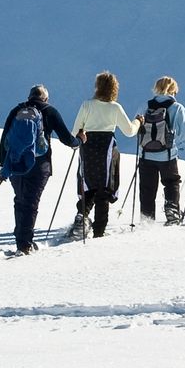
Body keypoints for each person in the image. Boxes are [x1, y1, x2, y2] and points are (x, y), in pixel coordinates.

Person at [0, 84, 80, 255]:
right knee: (30, 202)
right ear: (46, 98)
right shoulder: (50, 111)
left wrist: (3, 164)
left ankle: (21, 239)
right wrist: (79, 141)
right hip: (39, 164)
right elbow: (66, 138)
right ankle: (24, 244)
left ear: (29, 97)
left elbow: (5, 137)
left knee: (20, 200)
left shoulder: (17, 110)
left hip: (15, 163)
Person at [68, 71, 139, 241]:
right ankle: (99, 230)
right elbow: (129, 131)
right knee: (104, 188)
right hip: (108, 147)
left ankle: (81, 217)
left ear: (97, 87)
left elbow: (74, 131)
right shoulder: (115, 107)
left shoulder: (87, 105)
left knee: (88, 185)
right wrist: (139, 122)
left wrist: (81, 134)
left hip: (88, 146)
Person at [134, 76, 185, 226]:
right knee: (171, 183)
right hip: (167, 155)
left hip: (145, 155)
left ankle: (146, 220)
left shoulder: (145, 106)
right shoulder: (177, 108)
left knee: (147, 189)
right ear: (174, 90)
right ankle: (172, 212)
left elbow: (137, 129)